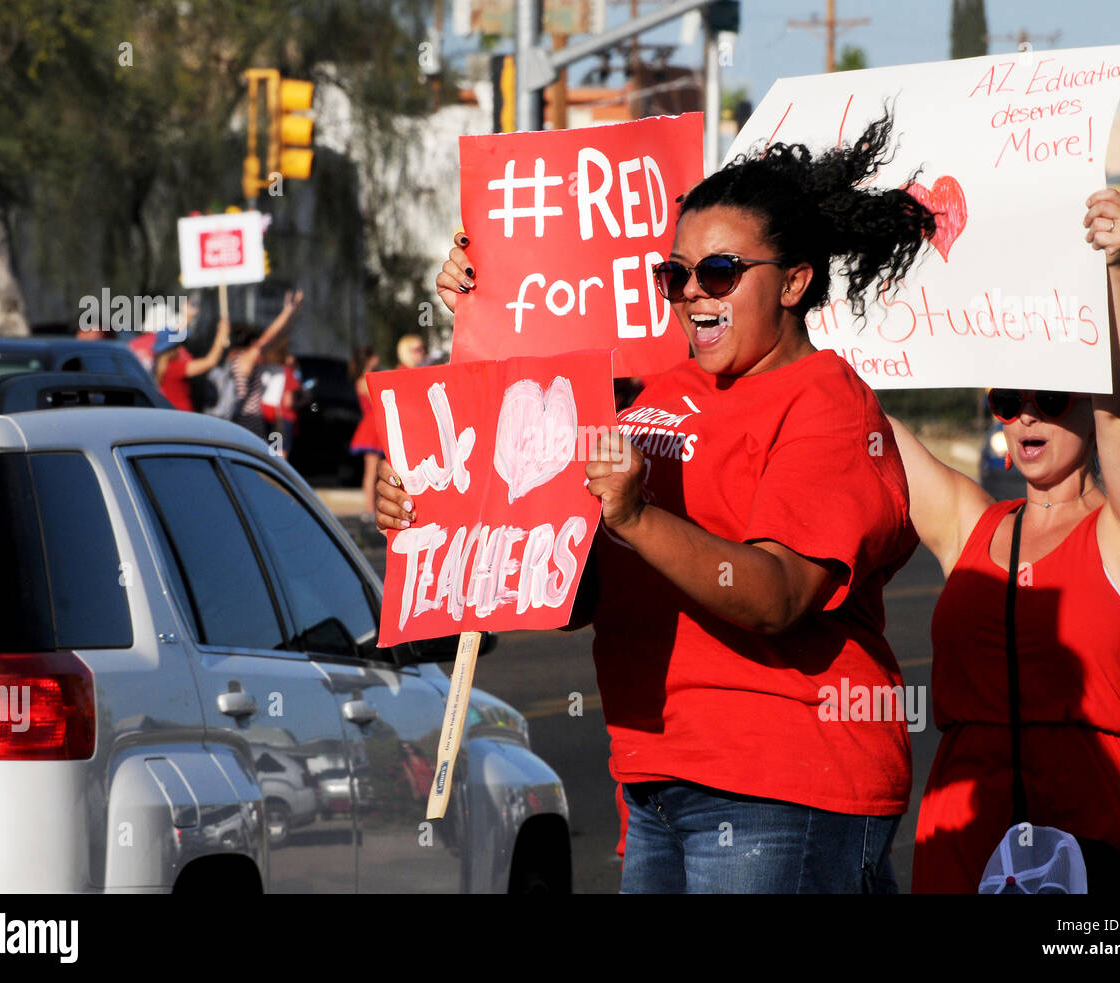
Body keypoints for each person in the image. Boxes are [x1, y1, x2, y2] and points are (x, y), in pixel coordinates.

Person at [381, 114, 938, 893]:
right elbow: (582, 583)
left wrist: (640, 517)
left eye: (720, 271)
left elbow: (776, 597)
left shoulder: (826, 403)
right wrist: (440, 507)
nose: (691, 294)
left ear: (795, 280)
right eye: (673, 275)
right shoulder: (655, 392)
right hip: (656, 776)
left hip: (783, 782)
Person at [888, 189, 1120, 893]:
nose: (1025, 417)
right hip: (961, 830)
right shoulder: (972, 523)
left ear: (1082, 398)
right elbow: (868, 425)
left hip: (1085, 837)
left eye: (1050, 397)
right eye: (1006, 402)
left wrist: (1111, 266)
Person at [227, 290, 303, 440]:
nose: (260, 348)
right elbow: (269, 337)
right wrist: (287, 312)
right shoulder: (245, 360)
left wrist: (292, 314)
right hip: (246, 425)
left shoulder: (234, 358)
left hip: (245, 423)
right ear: (252, 343)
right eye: (257, 344)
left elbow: (276, 337)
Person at [153, 316, 230, 412]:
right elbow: (210, 362)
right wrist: (221, 335)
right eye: (179, 344)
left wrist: (187, 317)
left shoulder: (159, 364)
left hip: (172, 413)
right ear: (174, 348)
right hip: (182, 415)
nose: (182, 347)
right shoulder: (174, 368)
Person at [347, 345, 383, 518]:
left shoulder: (367, 378)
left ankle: (373, 508)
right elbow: (376, 401)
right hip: (372, 426)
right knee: (371, 471)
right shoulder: (364, 380)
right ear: (369, 359)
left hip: (374, 424)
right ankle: (369, 510)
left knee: (376, 471)